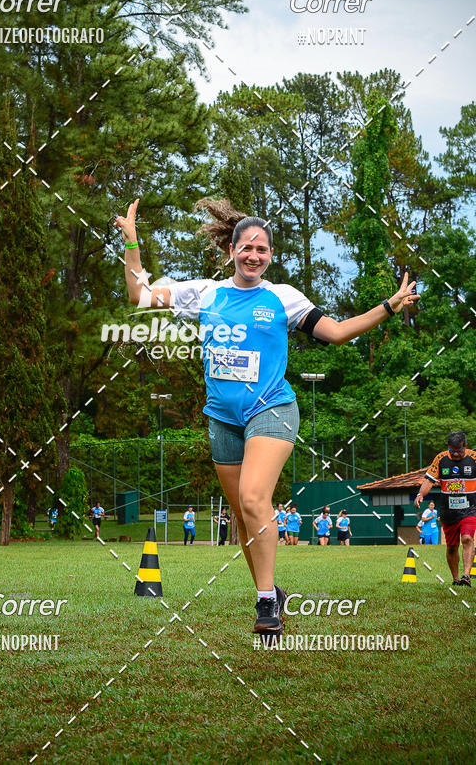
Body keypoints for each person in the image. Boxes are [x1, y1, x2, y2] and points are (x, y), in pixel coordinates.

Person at [116, 196, 419, 635]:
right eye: (246, 248)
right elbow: (139, 295)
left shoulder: (283, 298)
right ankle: (271, 590)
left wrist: (388, 306)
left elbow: (336, 333)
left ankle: (265, 606)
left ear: (271, 255)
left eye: (262, 249)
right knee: (242, 516)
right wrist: (132, 241)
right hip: (222, 418)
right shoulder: (205, 294)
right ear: (231, 251)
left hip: (272, 410)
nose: (254, 256)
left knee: (255, 499)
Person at [415, 430, 476, 586]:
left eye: (459, 451)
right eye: (452, 451)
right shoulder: (440, 459)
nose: (455, 454)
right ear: (448, 446)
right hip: (448, 511)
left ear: (465, 446)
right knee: (452, 547)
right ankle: (456, 579)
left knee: (467, 539)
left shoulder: (473, 458)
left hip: (470, 509)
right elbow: (429, 480)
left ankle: (466, 576)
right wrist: (420, 494)